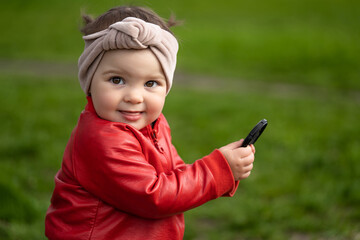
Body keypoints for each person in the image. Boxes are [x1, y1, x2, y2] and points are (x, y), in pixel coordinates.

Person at [45, 5, 255, 240]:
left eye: (150, 83)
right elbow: (155, 197)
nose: (134, 97)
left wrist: (225, 168)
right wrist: (217, 171)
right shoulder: (101, 140)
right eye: (117, 80)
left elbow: (175, 176)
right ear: (89, 81)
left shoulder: (153, 125)